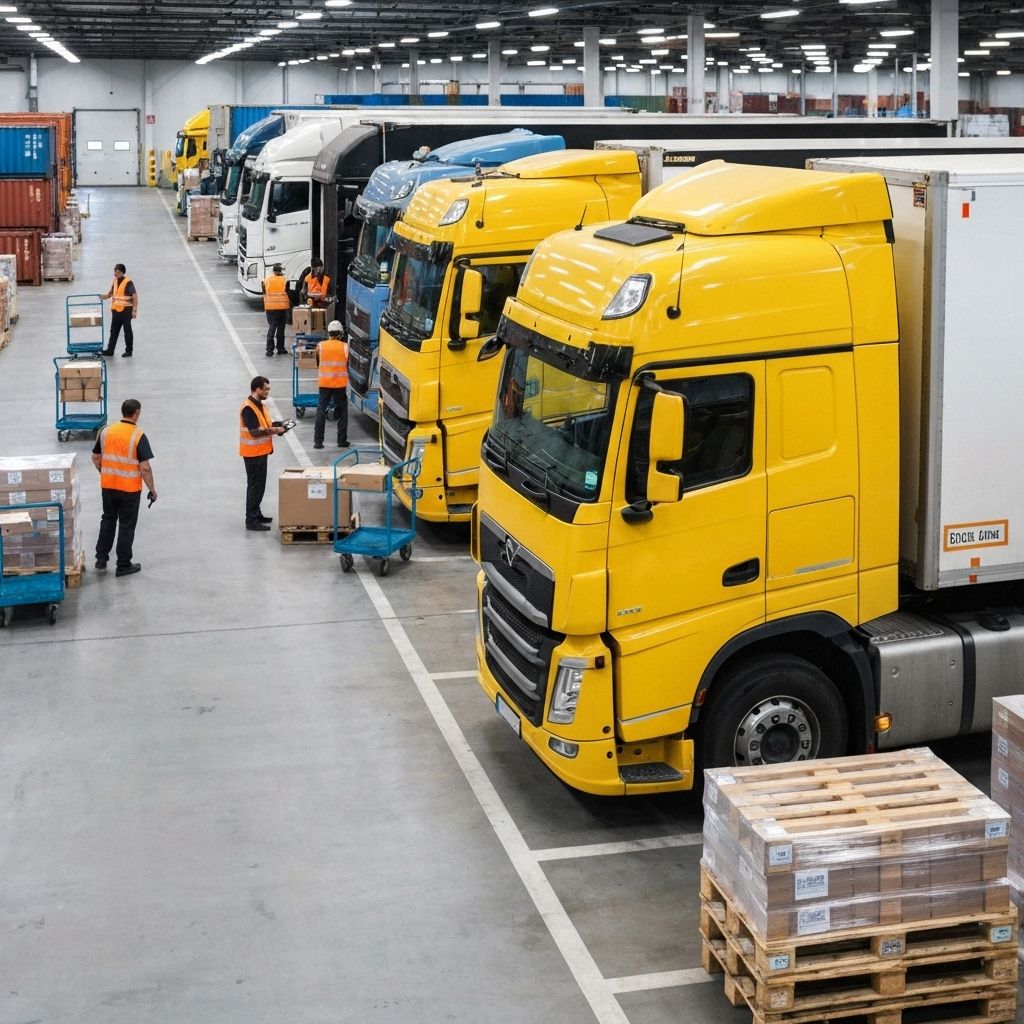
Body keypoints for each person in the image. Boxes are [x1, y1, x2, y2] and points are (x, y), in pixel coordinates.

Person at [92, 398, 156, 577]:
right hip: (129, 490)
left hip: (108, 485)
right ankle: (123, 564)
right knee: (126, 525)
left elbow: (96, 458)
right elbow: (145, 467)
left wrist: (104, 473)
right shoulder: (138, 435)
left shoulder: (106, 432)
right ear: (136, 413)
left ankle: (101, 558)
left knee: (108, 519)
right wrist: (152, 489)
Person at [240, 375, 286, 531]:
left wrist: (279, 426)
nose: (267, 392)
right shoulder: (248, 408)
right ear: (256, 389)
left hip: (261, 452)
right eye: (265, 389)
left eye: (268, 389)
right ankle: (251, 520)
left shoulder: (260, 405)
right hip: (253, 454)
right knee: (255, 486)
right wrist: (274, 430)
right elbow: (254, 432)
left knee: (260, 486)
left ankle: (256, 513)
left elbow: (264, 425)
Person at [313, 320, 349, 451]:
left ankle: (318, 442)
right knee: (343, 411)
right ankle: (342, 440)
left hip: (324, 384)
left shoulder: (320, 346)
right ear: (340, 334)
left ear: (328, 333)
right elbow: (347, 364)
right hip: (339, 384)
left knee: (321, 410)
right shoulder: (344, 346)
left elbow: (318, 362)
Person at [101, 263, 138, 358]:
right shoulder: (115, 281)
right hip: (116, 311)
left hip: (126, 311)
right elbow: (111, 293)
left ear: (122, 272)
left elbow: (134, 296)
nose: (115, 274)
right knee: (113, 331)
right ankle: (110, 350)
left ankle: (129, 351)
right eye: (114, 272)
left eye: (117, 272)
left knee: (127, 331)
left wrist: (134, 310)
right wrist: (104, 297)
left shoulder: (128, 282)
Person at [261, 263, 290, 356]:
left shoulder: (266, 280)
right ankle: (280, 348)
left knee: (272, 327)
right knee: (281, 328)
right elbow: (288, 292)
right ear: (281, 271)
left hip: (270, 308)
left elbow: (264, 292)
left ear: (273, 271)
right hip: (282, 307)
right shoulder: (285, 280)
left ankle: (269, 350)